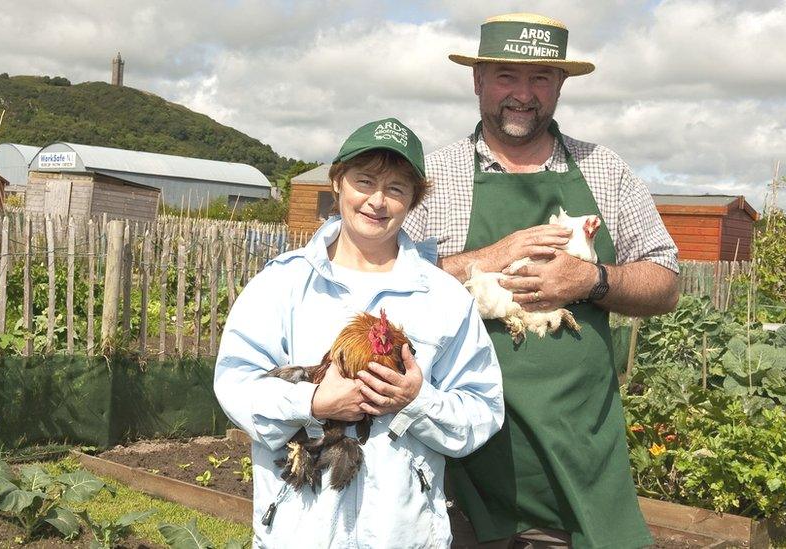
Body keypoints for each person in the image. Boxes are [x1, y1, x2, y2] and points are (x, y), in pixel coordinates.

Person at [403, 12, 680, 549]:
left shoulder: (605, 169)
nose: (523, 94)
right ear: (478, 80)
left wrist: (591, 280)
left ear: (561, 85)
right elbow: (390, 282)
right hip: (461, 449)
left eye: (541, 78)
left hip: (578, 446)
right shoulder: (435, 178)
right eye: (506, 76)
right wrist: (492, 256)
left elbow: (665, 283)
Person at [214, 118, 504, 548]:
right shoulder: (281, 283)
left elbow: (484, 410)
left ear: (412, 201)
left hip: (401, 534)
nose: (377, 201)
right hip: (299, 529)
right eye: (364, 181)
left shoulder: (444, 296)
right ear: (338, 183)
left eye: (396, 189)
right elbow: (234, 384)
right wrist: (312, 402)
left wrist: (417, 401)